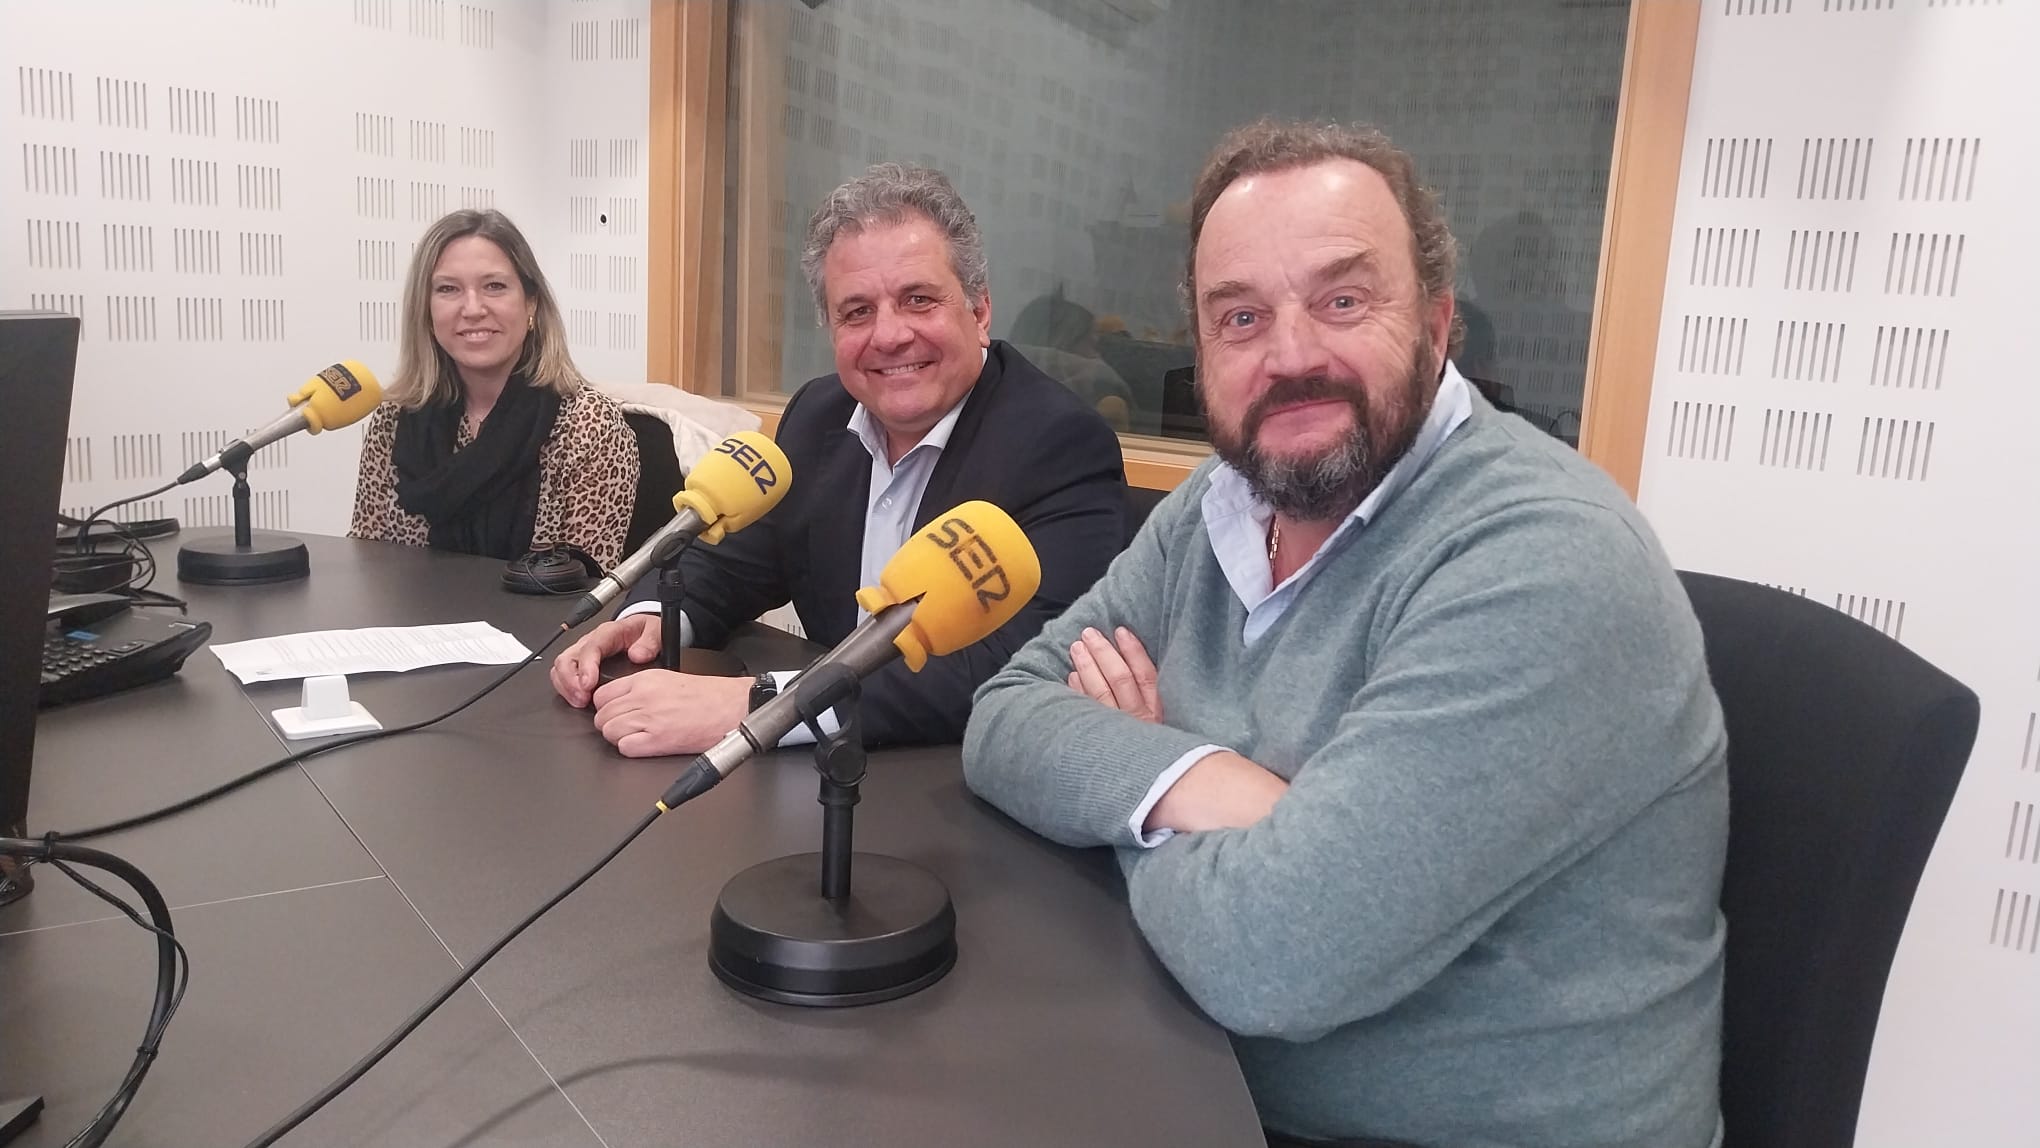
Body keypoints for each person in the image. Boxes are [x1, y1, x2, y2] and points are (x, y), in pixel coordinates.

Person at [961, 120, 1728, 1148]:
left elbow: (1271, 954)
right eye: (1240, 317)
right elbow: (1006, 714)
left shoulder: (1547, 561)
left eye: (1343, 300)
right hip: (1197, 1082)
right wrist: (1201, 781)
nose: (1291, 356)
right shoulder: (1220, 503)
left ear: (1439, 323)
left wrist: (1122, 805)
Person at [549, 163, 1126, 755]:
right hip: (824, 783)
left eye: (918, 300)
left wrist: (761, 706)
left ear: (979, 312)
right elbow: (733, 565)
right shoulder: (819, 414)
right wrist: (652, 619)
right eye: (856, 312)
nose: (889, 335)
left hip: (947, 782)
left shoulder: (1060, 445)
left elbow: (1015, 663)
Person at [349, 209, 638, 569]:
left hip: (540, 625)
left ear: (531, 302)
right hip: (408, 624)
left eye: (494, 286)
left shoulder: (590, 426)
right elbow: (368, 568)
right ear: (425, 310)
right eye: (448, 289)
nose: (472, 309)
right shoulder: (392, 421)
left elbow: (585, 591)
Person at [1007, 288, 1135, 431]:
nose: (1098, 357)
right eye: (1092, 345)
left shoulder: (999, 408)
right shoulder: (1102, 410)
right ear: (1064, 346)